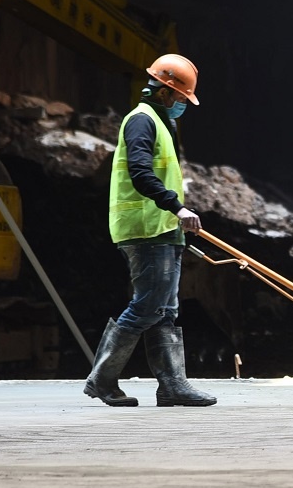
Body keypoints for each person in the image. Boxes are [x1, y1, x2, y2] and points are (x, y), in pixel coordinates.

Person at [83, 53, 217, 408]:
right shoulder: (141, 122)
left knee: (164, 309)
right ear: (164, 93)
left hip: (162, 229)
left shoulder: (160, 121)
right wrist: (178, 207)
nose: (183, 106)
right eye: (181, 99)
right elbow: (141, 174)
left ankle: (172, 386)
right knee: (148, 305)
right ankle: (101, 379)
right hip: (145, 229)